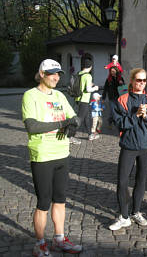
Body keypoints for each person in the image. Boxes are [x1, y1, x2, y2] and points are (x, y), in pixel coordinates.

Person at [22, 59, 82, 256]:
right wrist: (62, 123)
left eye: (58, 74)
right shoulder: (30, 95)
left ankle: (59, 239)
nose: (56, 77)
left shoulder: (60, 96)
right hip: (42, 155)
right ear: (41, 74)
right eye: (51, 73)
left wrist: (74, 124)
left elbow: (73, 118)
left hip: (62, 153)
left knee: (60, 200)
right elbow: (32, 126)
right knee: (43, 202)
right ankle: (39, 243)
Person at [109, 68, 147, 230]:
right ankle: (124, 216)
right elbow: (120, 123)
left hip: (146, 145)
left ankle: (136, 211)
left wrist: (146, 117)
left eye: (144, 80)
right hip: (129, 145)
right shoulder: (122, 100)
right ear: (131, 81)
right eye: (138, 80)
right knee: (123, 181)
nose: (141, 83)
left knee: (141, 180)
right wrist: (136, 115)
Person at [73, 60, 99, 142]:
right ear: (90, 67)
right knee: (80, 118)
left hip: (78, 98)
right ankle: (70, 135)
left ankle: (90, 134)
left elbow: (82, 85)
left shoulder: (79, 73)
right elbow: (88, 89)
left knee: (86, 118)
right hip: (84, 100)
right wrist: (95, 88)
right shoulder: (88, 76)